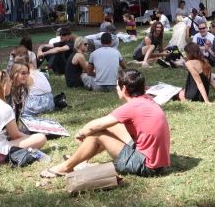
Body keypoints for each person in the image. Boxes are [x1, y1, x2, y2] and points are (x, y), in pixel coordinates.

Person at [40, 70, 170, 178]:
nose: (116, 88)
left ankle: (66, 167)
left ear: (123, 88)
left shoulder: (131, 107)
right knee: (111, 125)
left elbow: (93, 126)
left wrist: (82, 133)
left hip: (147, 166)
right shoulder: (146, 99)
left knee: (97, 134)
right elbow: (106, 122)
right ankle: (82, 159)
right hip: (158, 162)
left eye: (117, 86)